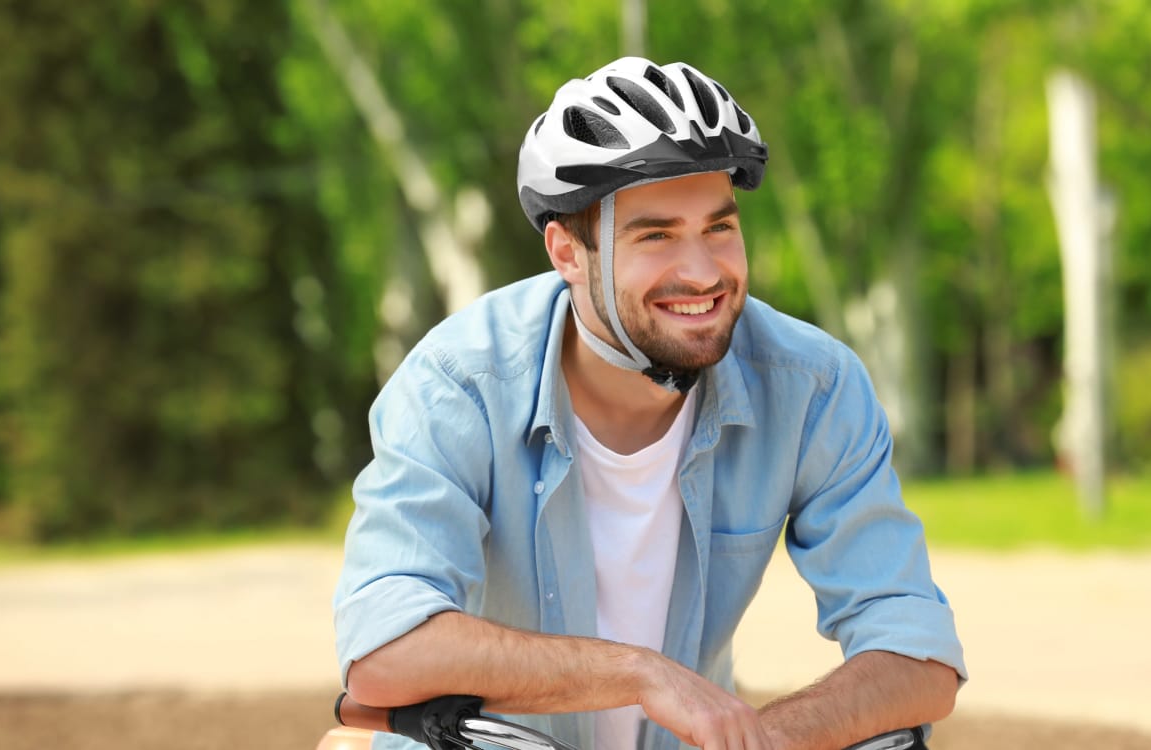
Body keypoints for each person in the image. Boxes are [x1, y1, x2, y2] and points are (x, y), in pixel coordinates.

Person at [333, 56, 966, 750]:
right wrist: (639, 675)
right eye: (656, 235)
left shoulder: (812, 386)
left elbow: (919, 656)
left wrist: (764, 738)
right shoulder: (457, 384)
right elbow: (383, 651)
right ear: (568, 253)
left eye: (720, 228)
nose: (702, 271)